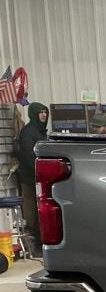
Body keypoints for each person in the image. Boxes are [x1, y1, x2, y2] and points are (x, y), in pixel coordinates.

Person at [16, 102, 48, 255]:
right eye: (41, 112)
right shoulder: (28, 133)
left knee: (42, 210)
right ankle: (34, 246)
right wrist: (40, 172)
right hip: (30, 179)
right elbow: (30, 158)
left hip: (42, 179)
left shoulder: (42, 132)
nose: (44, 115)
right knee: (32, 212)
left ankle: (43, 241)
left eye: (45, 112)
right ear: (34, 114)